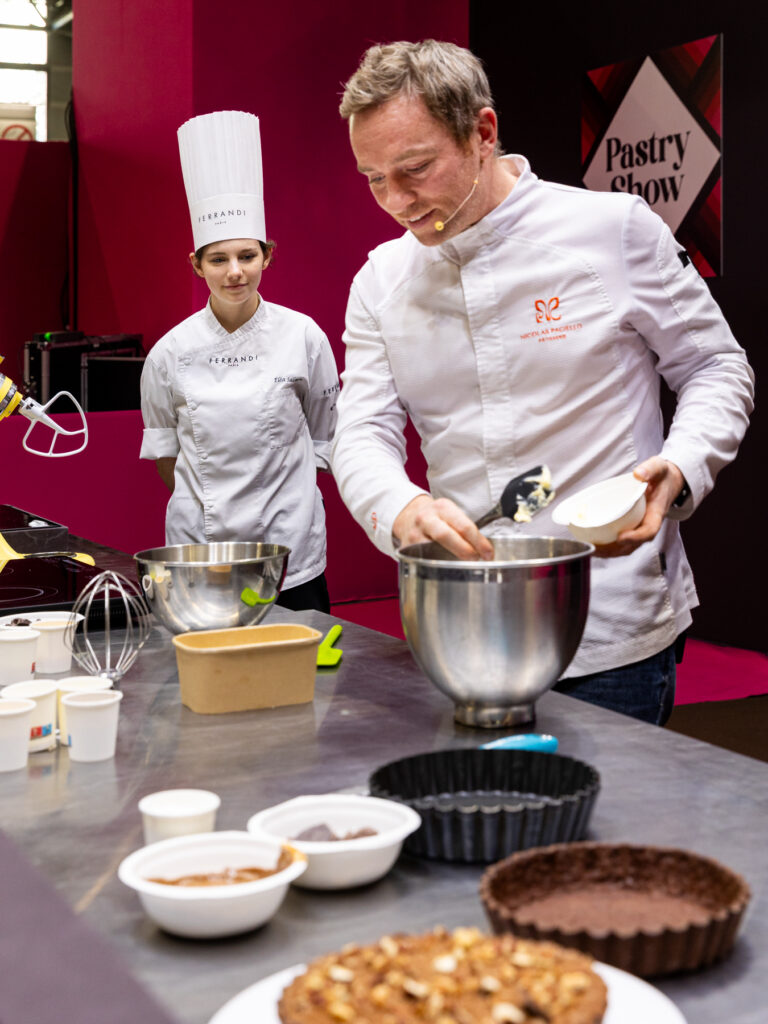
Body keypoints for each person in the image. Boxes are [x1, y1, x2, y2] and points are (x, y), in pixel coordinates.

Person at [330, 40, 754, 722]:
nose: (397, 201)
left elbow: (715, 366)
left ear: (482, 133)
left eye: (415, 169)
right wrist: (400, 508)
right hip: (464, 623)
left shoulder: (611, 230)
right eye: (374, 178)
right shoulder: (381, 280)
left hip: (609, 622)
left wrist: (681, 465)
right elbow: (360, 432)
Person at [140, 110, 339, 612]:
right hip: (199, 547)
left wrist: (284, 497)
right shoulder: (169, 353)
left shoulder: (303, 336)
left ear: (268, 255)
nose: (235, 272)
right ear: (196, 264)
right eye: (218, 259)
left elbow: (323, 436)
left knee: (303, 656)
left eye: (247, 256)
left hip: (290, 547)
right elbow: (166, 456)